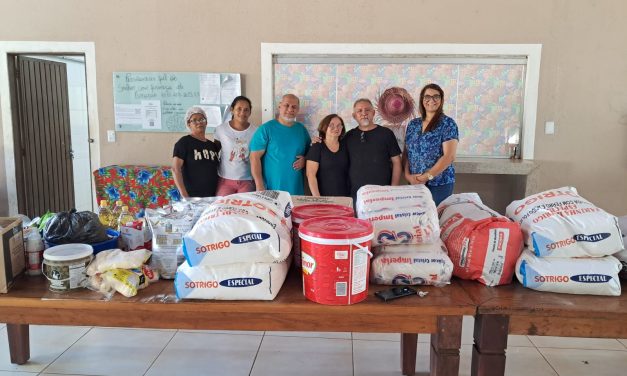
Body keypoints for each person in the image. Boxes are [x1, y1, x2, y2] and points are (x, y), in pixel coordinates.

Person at [404, 83, 459, 206]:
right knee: (417, 220)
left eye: (436, 96)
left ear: (441, 100)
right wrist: (408, 176)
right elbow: (408, 153)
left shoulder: (448, 124)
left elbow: (449, 156)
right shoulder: (413, 124)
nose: (431, 100)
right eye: (427, 96)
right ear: (422, 100)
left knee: (435, 221)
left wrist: (426, 177)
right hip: (414, 182)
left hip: (439, 184)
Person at [250, 94, 311, 195]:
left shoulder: (301, 130)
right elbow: (254, 158)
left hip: (296, 190)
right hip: (270, 189)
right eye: (286, 105)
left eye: (294, 107)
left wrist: (305, 160)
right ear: (279, 106)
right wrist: (259, 185)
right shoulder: (266, 129)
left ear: (298, 109)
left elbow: (311, 154)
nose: (290, 109)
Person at [344, 98, 402, 198]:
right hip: (356, 195)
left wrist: (393, 189)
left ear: (373, 113)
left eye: (367, 110)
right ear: (354, 116)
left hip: (383, 194)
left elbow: (397, 162)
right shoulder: (348, 136)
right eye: (359, 111)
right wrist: (318, 141)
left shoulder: (386, 134)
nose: (364, 113)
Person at [172, 106, 221, 198]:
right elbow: (175, 169)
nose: (199, 122)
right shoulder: (184, 142)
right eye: (194, 120)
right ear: (188, 124)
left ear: (206, 122)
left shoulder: (212, 145)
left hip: (212, 196)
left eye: (201, 119)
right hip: (192, 197)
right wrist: (185, 196)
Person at [213, 96, 257, 196]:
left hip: (247, 180)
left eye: (246, 110)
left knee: (244, 210)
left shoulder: (256, 131)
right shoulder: (221, 130)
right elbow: (214, 152)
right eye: (239, 109)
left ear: (250, 112)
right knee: (222, 208)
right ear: (232, 110)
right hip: (225, 179)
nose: (242, 113)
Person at [305, 114, 350, 196]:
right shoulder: (317, 146)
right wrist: (317, 198)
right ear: (324, 127)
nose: (336, 128)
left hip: (344, 197)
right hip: (323, 197)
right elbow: (310, 174)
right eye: (331, 125)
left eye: (339, 125)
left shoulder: (345, 146)